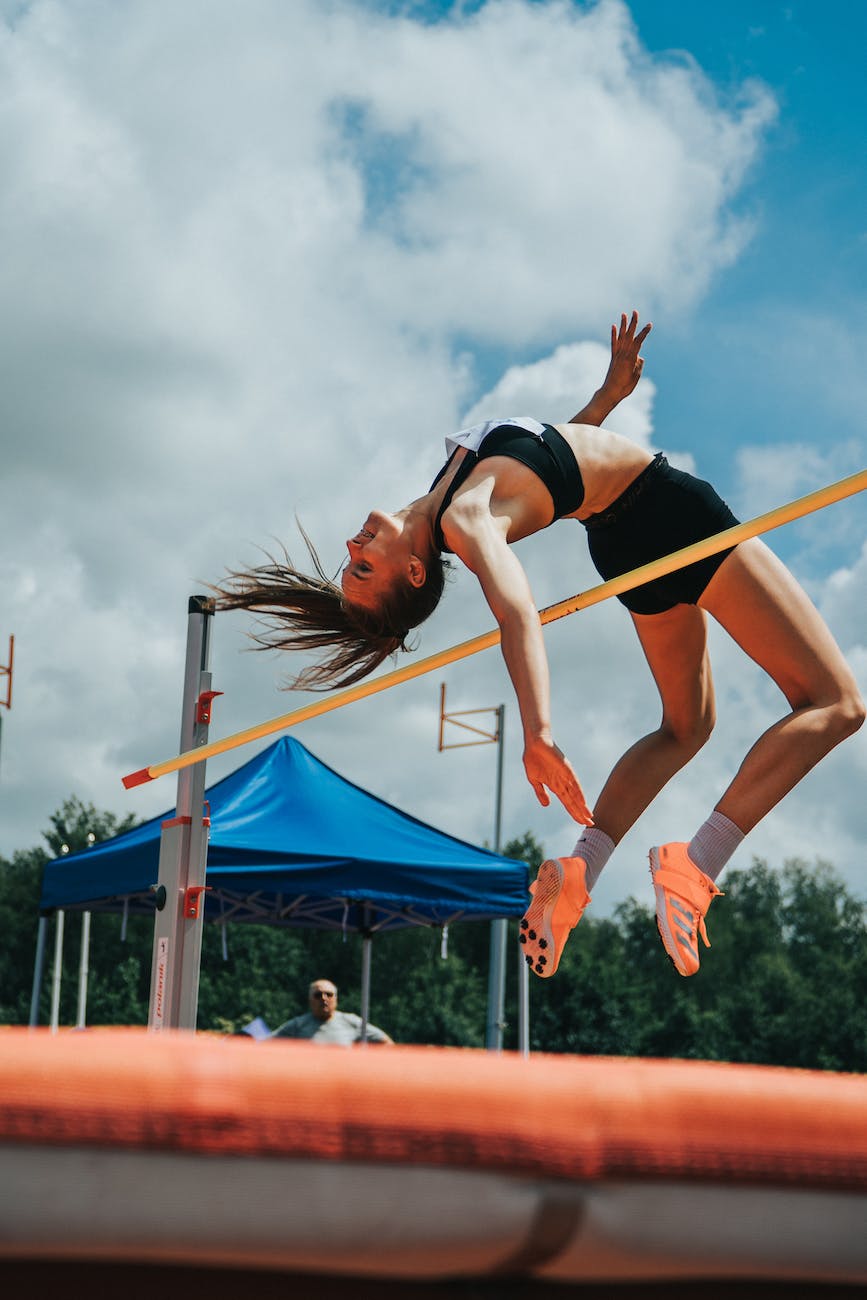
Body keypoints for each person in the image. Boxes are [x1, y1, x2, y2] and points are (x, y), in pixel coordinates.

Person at [214, 313, 864, 980]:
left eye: (348, 563)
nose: (352, 548)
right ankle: (695, 866)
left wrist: (606, 400)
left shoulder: (446, 491)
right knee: (835, 702)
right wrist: (538, 732)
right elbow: (517, 612)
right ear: (413, 572)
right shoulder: (465, 521)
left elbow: (554, 456)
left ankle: (580, 871)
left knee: (683, 727)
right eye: (362, 569)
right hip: (667, 512)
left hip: (619, 542)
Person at [269, 978, 393, 1045]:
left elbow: (385, 1042)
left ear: (336, 999)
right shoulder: (297, 1025)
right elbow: (267, 1043)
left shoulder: (351, 1022)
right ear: (310, 1000)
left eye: (329, 994)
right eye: (318, 995)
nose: (324, 999)